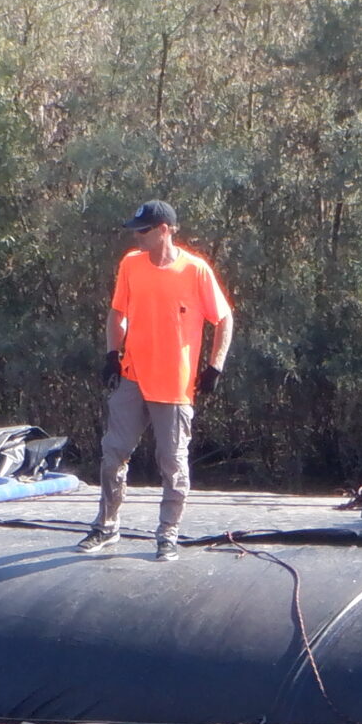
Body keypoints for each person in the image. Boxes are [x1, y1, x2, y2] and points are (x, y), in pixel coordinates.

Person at [79, 200, 232, 561]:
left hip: (174, 386)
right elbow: (117, 313)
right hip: (133, 377)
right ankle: (106, 525)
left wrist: (214, 367)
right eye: (135, 229)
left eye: (143, 230)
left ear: (165, 229)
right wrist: (111, 355)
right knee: (113, 452)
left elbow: (223, 319)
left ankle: (167, 534)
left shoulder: (195, 271)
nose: (137, 236)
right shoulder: (131, 265)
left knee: (173, 462)